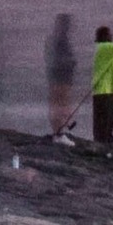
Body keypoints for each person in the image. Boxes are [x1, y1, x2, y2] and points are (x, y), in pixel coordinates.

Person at [89, 22, 113, 152]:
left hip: (107, 90)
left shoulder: (105, 50)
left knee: (108, 118)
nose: (111, 36)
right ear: (104, 37)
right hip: (104, 90)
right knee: (106, 118)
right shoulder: (104, 48)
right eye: (109, 35)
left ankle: (104, 142)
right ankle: (103, 143)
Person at [46, 12, 77, 143]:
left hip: (56, 79)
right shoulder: (61, 41)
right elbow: (60, 60)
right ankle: (59, 134)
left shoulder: (53, 40)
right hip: (62, 80)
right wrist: (71, 62)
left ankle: (58, 133)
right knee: (61, 107)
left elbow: (50, 59)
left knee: (57, 107)